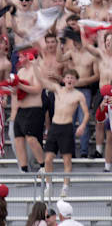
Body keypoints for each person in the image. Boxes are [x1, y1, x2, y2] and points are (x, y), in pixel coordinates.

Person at [33, 64, 89, 197]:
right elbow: (41, 80)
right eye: (68, 77)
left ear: (75, 81)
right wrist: (34, 64)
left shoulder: (79, 95)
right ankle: (49, 185)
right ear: (63, 79)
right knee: (47, 159)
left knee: (67, 160)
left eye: (72, 78)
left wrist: (82, 125)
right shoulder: (57, 89)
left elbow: (86, 113)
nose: (70, 80)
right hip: (54, 127)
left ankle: (65, 187)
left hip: (67, 127)